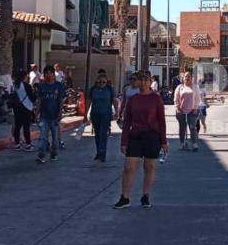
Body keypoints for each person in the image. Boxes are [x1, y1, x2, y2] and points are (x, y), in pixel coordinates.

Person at [115, 71, 167, 209]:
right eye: (140, 80)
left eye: (146, 80)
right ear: (137, 82)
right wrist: (124, 141)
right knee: (129, 167)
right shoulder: (133, 99)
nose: (143, 83)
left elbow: (161, 120)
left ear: (150, 81)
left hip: (152, 136)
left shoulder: (156, 99)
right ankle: (125, 198)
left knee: (149, 166)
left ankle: (145, 196)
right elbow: (127, 122)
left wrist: (163, 141)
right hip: (135, 136)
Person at [35, 65, 66, 163]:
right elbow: (39, 101)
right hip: (44, 115)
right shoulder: (41, 86)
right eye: (46, 73)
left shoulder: (59, 86)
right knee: (43, 136)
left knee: (55, 137)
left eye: (50, 73)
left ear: (53, 74)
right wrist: (37, 113)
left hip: (55, 116)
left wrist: (60, 113)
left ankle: (54, 153)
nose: (48, 75)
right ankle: (41, 155)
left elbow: (61, 101)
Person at [85, 73, 118, 162]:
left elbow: (115, 101)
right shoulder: (93, 90)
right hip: (95, 114)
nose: (101, 83)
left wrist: (116, 112)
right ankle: (99, 152)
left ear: (106, 82)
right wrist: (85, 114)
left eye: (103, 82)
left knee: (103, 133)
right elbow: (88, 101)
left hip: (106, 115)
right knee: (97, 134)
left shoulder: (109, 89)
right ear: (96, 81)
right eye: (99, 82)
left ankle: (102, 153)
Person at [174, 72, 201, 152]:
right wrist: (178, 108)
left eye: (189, 76)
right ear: (183, 78)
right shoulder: (180, 87)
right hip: (181, 111)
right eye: (186, 76)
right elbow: (176, 98)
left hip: (192, 111)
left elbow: (197, 98)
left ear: (191, 78)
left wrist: (195, 108)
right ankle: (182, 144)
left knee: (192, 128)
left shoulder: (195, 87)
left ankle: (194, 144)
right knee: (182, 128)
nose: (187, 78)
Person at [11, 70, 37, 150]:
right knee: (26, 127)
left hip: (16, 107)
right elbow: (32, 98)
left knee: (17, 126)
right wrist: (35, 93)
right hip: (26, 107)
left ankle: (17, 144)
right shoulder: (27, 86)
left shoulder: (14, 85)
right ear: (25, 76)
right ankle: (28, 145)